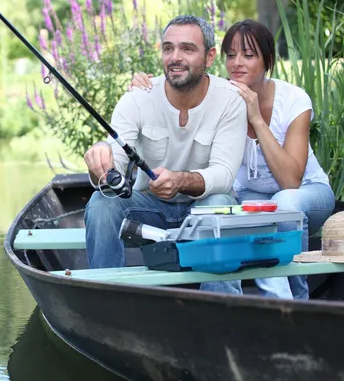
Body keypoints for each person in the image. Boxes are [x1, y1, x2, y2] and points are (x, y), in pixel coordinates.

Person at [129, 19, 336, 299]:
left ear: (268, 61)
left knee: (283, 204)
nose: (237, 63)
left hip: (306, 193)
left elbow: (290, 180)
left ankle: (299, 301)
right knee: (223, 207)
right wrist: (145, 85)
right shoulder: (220, 98)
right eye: (231, 55)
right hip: (249, 198)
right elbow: (180, 87)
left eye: (249, 55)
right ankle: (247, 303)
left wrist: (256, 118)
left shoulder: (293, 100)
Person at [83, 15, 248, 295]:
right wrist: (100, 162)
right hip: (149, 209)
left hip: (204, 209)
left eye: (187, 49)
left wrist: (180, 180)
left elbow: (224, 174)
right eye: (168, 48)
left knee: (221, 204)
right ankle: (105, 300)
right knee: (102, 202)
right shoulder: (138, 97)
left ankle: (221, 309)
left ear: (209, 57)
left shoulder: (230, 99)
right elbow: (116, 162)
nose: (175, 57)